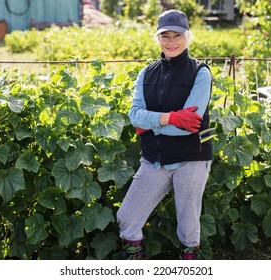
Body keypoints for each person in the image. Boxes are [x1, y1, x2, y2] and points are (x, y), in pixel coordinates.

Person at [116, 9, 213, 260]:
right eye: (165, 36)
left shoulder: (200, 73)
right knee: (127, 217)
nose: (171, 41)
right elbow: (134, 115)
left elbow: (189, 125)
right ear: (157, 39)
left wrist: (150, 124)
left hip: (192, 157)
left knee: (188, 226)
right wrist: (169, 118)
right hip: (154, 158)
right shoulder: (146, 73)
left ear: (187, 37)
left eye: (177, 35)